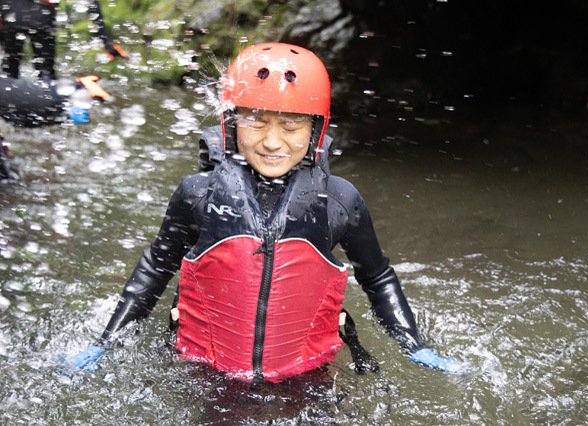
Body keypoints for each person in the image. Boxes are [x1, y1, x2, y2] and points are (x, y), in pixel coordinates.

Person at [68, 42, 459, 381]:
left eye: (291, 125)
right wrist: (107, 342)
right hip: (208, 371)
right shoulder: (198, 194)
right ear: (231, 123)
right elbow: (155, 269)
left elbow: (378, 278)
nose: (273, 141)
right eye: (255, 121)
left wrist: (413, 345)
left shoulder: (340, 200)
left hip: (307, 371)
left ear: (316, 131)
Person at [0, 0, 125, 80]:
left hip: (10, 15)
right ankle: (51, 113)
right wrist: (106, 41)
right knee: (46, 74)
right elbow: (91, 3)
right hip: (42, 17)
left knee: (9, 71)